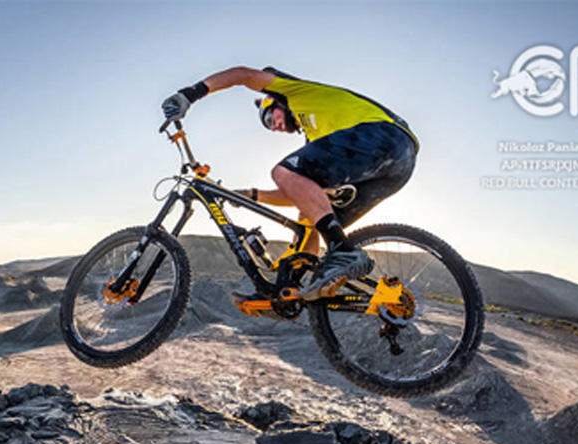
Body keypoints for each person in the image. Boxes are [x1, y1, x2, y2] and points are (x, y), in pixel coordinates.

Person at [162, 66, 418, 301]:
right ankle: (295, 290)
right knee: (311, 212)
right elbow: (298, 192)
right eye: (269, 127)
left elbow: (242, 74)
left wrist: (188, 95)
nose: (274, 128)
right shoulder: (317, 138)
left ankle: (344, 251)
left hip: (385, 135)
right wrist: (251, 195)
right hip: (397, 168)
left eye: (270, 119)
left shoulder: (294, 92)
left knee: (282, 171)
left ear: (276, 103)